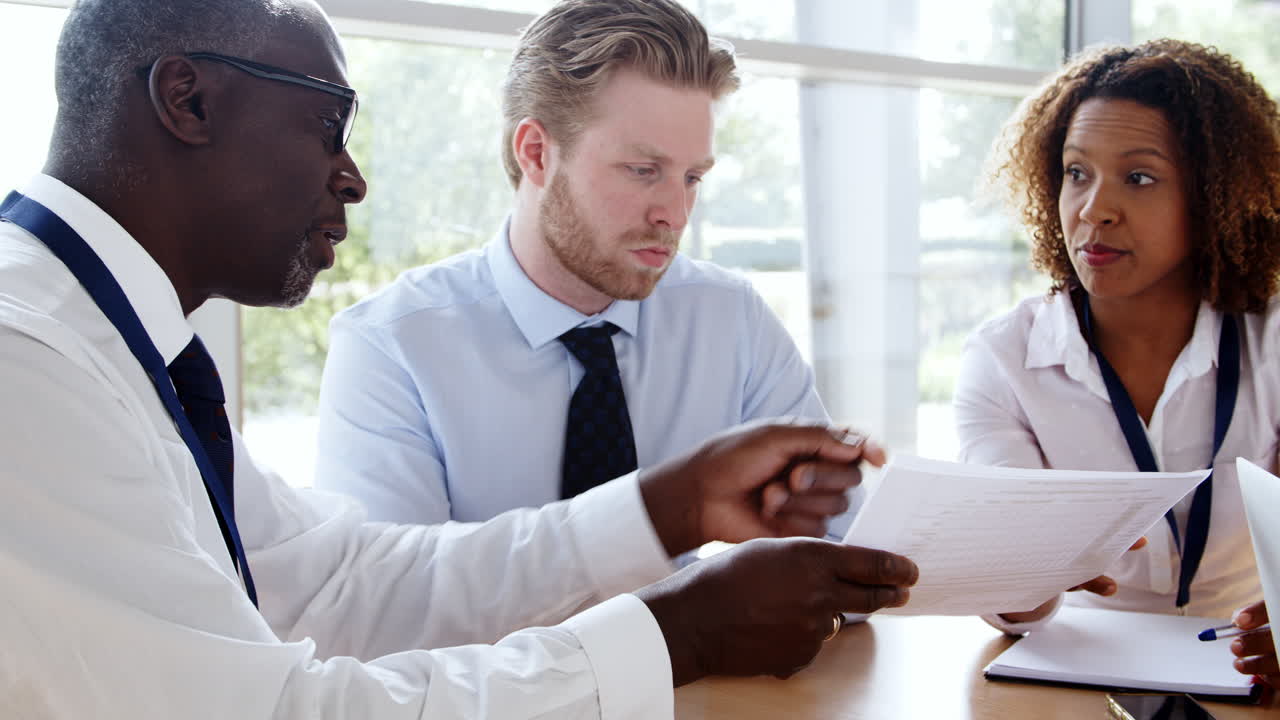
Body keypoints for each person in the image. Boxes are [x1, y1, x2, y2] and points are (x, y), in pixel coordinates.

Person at [0, 1, 922, 717]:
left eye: (690, 177)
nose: (354, 177)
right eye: (329, 125)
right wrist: (674, 631)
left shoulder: (118, 347)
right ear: (188, 100)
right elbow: (281, 707)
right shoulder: (27, 361)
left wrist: (666, 508)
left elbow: (340, 583)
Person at [313, 0, 840, 532]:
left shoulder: (732, 320)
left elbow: (838, 542)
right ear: (537, 153)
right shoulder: (392, 347)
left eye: (691, 178)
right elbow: (394, 600)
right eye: (642, 170)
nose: (675, 214)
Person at [954, 38, 1280, 685]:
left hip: (1241, 668)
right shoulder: (1003, 358)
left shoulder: (1271, 340)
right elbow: (1009, 598)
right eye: (1077, 172)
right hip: (1069, 676)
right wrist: (1027, 568)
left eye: (1139, 177)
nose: (1093, 209)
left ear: (1213, 198)